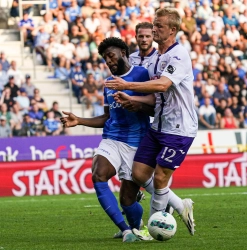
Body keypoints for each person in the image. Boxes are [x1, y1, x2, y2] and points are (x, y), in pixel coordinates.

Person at [106, 8, 196, 236]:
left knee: (160, 178)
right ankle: (179, 205)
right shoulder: (156, 58)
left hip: (179, 128)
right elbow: (155, 96)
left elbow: (162, 85)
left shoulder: (179, 55)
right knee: (138, 173)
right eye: (154, 24)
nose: (154, 29)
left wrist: (127, 86)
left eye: (159, 26)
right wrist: (131, 98)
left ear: (172, 30)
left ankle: (154, 227)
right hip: (158, 125)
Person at [61, 37, 154, 243]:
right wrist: (79, 121)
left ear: (123, 52)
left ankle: (135, 226)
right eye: (105, 59)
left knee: (127, 200)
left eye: (111, 56)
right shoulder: (108, 84)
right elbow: (106, 117)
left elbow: (155, 107)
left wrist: (137, 105)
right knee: (98, 174)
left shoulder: (142, 74)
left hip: (137, 143)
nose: (109, 62)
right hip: (112, 138)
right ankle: (126, 230)